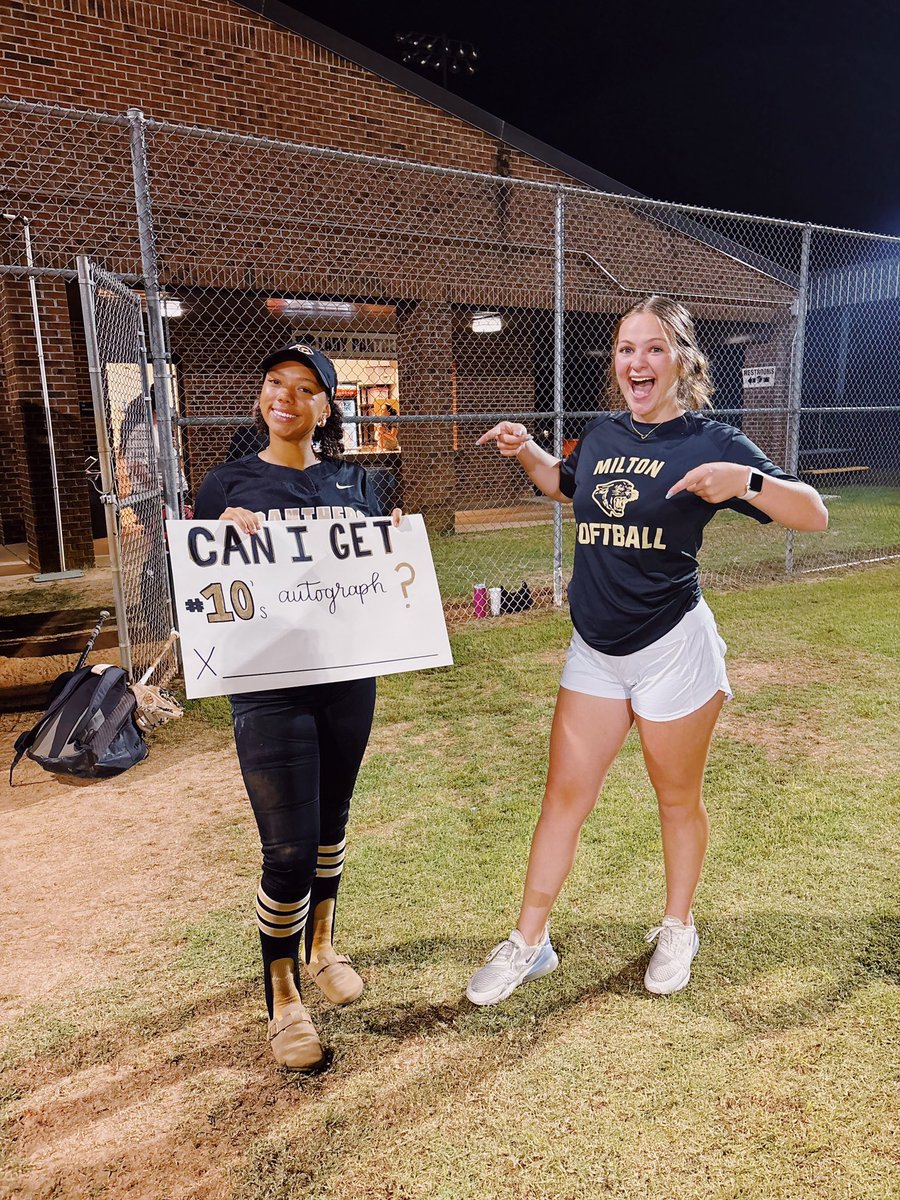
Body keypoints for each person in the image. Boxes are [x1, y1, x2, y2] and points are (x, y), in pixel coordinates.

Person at [466, 296, 828, 1005]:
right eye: (627, 349)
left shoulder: (713, 441)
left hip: (672, 648)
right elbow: (566, 488)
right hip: (595, 651)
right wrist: (527, 450)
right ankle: (529, 942)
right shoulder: (601, 435)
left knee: (675, 799)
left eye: (654, 348)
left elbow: (811, 513)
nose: (638, 361)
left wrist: (746, 482)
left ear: (683, 361)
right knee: (562, 799)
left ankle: (677, 926)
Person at [193, 343, 402, 1071]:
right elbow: (192, 584)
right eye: (275, 382)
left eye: (306, 387)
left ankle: (320, 946)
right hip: (267, 683)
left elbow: (381, 576)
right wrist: (214, 540)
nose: (287, 396)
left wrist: (394, 545)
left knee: (331, 823)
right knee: (286, 849)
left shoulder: (356, 482)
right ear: (262, 397)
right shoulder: (225, 484)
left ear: (326, 407)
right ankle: (280, 995)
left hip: (347, 676)